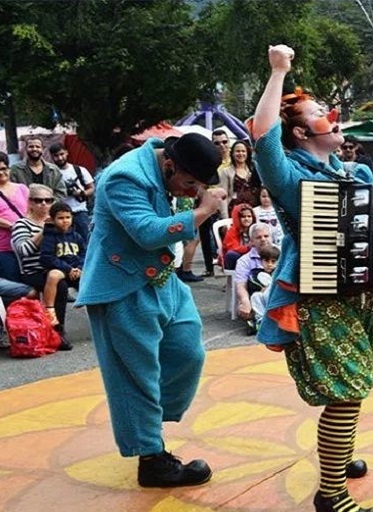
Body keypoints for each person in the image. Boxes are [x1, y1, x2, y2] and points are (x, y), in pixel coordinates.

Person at [249, 44, 373, 512]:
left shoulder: (352, 170)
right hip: (319, 298)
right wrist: (278, 73)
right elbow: (262, 134)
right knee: (346, 391)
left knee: (359, 383)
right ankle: (331, 495)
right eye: (319, 113)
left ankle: (339, 457)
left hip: (363, 297)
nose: (333, 116)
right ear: (298, 131)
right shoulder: (289, 174)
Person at [75, 132, 227, 486]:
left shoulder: (169, 168)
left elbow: (172, 213)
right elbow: (145, 232)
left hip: (163, 278)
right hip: (122, 285)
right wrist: (201, 212)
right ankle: (151, 459)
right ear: (170, 164)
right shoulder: (124, 177)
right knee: (136, 375)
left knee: (188, 352)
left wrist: (194, 194)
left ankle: (148, 422)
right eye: (190, 183)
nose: (192, 192)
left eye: (199, 186)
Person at [12, 184, 75, 350]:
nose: (44, 204)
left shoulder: (60, 220)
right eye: (38, 200)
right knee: (60, 287)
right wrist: (43, 231)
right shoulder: (22, 224)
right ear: (30, 202)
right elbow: (24, 251)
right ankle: (57, 331)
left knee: (89, 279)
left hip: (60, 267)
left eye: (48, 200)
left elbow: (73, 245)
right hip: (34, 271)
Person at [39, 201, 87, 320]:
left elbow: (84, 254)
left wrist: (79, 268)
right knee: (53, 276)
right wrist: (67, 268)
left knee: (90, 276)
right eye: (60, 218)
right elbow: (46, 257)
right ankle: (49, 309)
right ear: (52, 219)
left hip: (75, 269)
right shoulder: (50, 237)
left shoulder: (77, 236)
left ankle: (86, 300)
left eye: (68, 217)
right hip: (60, 269)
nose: (65, 220)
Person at [50, 142, 94, 244]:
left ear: (66, 153)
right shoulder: (51, 172)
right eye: (56, 156)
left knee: (87, 241)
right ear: (52, 156)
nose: (60, 158)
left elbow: (91, 188)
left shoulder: (79, 170)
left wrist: (82, 193)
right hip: (59, 214)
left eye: (61, 154)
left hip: (79, 211)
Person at [233, 222, 274, 323]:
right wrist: (245, 302)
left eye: (266, 236)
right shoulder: (244, 261)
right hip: (257, 297)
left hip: (278, 295)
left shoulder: (281, 253)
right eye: (258, 237)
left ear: (271, 237)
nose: (263, 239)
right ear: (251, 241)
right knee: (245, 310)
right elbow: (241, 286)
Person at [0, 152, 30, 282]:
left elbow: (32, 210)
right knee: (15, 284)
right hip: (4, 246)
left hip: (27, 244)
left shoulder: (22, 188)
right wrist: (14, 226)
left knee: (31, 283)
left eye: (3, 168)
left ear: (9, 168)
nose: (1, 172)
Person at [248, 244, 281, 334]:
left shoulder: (279, 273)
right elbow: (253, 284)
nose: (269, 264)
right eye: (266, 261)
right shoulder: (256, 273)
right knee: (255, 296)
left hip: (277, 299)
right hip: (264, 301)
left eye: (273, 261)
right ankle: (261, 320)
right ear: (261, 261)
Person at [220, 203, 255, 270]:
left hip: (253, 256)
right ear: (238, 218)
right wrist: (248, 247)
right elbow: (233, 247)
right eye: (243, 217)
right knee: (231, 255)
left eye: (249, 216)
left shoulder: (256, 229)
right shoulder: (232, 231)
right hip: (238, 257)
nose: (246, 219)